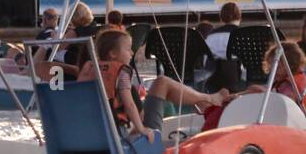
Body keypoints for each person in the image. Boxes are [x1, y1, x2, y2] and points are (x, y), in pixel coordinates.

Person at [80, 29, 227, 139]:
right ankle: (208, 99)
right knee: (162, 82)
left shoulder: (87, 68)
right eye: (128, 49)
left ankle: (204, 100)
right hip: (122, 135)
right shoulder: (122, 73)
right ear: (112, 54)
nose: (132, 53)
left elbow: (78, 95)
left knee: (161, 82)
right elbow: (130, 104)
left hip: (91, 131)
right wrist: (142, 129)